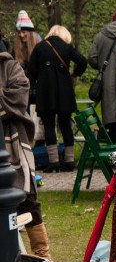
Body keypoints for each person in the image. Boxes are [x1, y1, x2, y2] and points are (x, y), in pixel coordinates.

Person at [0, 48, 63, 262]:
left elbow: (18, 96)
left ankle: (42, 257)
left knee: (27, 197)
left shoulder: (10, 67)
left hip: (13, 143)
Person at [27, 25, 86, 172]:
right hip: (65, 91)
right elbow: (83, 61)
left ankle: (53, 162)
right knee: (65, 124)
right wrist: (75, 73)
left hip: (46, 91)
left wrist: (39, 77)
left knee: (48, 125)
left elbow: (31, 70)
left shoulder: (40, 47)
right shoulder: (67, 47)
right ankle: (69, 161)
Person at [89, 10, 116, 143]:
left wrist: (102, 66)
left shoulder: (100, 36)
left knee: (114, 125)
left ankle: (115, 157)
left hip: (107, 84)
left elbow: (92, 58)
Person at [14, 10, 41, 104]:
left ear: (30, 32)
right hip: (24, 88)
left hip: (38, 87)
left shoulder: (39, 44)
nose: (21, 35)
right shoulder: (18, 47)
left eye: (24, 31)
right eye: (19, 32)